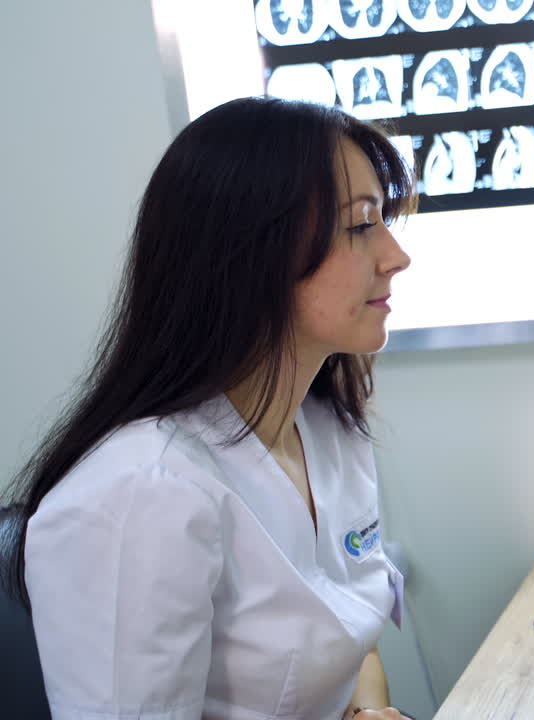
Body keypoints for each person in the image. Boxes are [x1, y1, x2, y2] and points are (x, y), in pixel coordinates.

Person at [1, 96, 415, 719]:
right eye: (361, 225)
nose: (396, 256)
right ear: (255, 249)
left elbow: (354, 637)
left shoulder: (326, 424)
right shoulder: (142, 494)